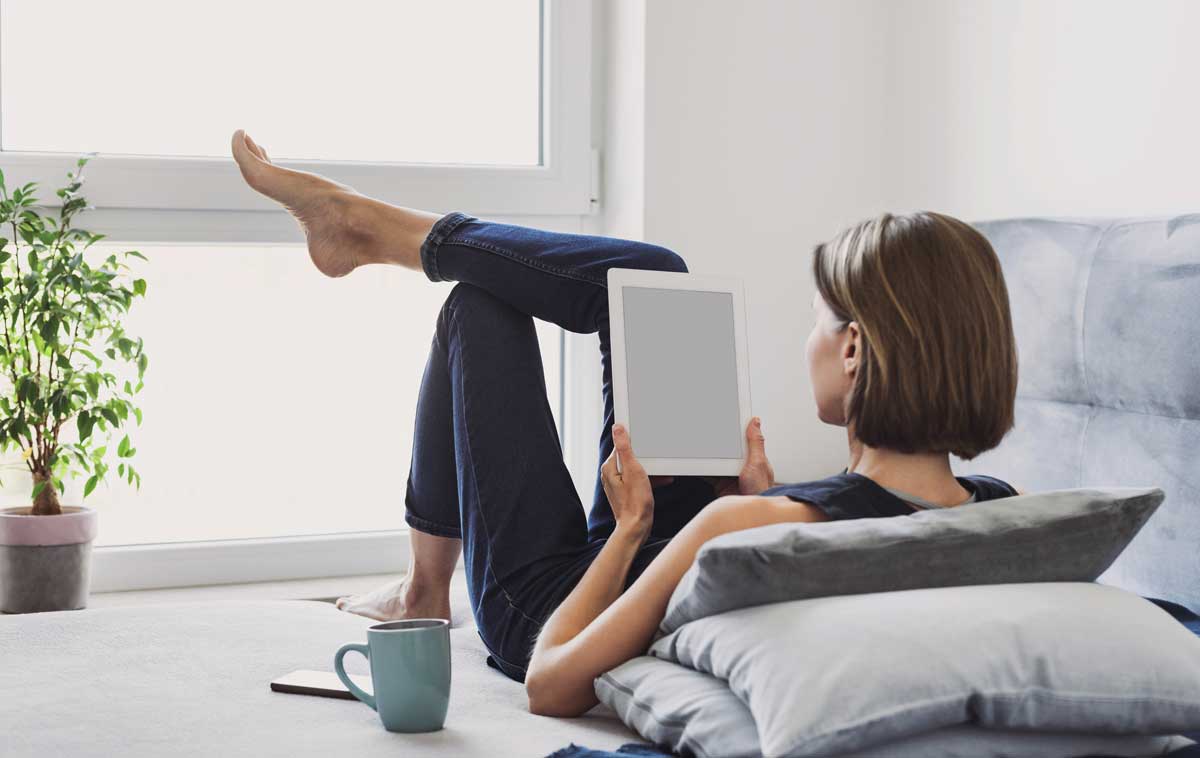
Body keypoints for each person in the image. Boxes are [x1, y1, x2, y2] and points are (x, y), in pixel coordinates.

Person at [230, 129, 1021, 717]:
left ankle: (426, 588)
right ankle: (383, 233)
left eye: (817, 320)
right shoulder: (1000, 511)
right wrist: (775, 497)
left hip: (553, 604)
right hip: (687, 537)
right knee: (656, 284)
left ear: (852, 351)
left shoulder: (748, 519)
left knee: (479, 307)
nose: (805, 339)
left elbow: (552, 680)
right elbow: (849, 533)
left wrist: (634, 529)